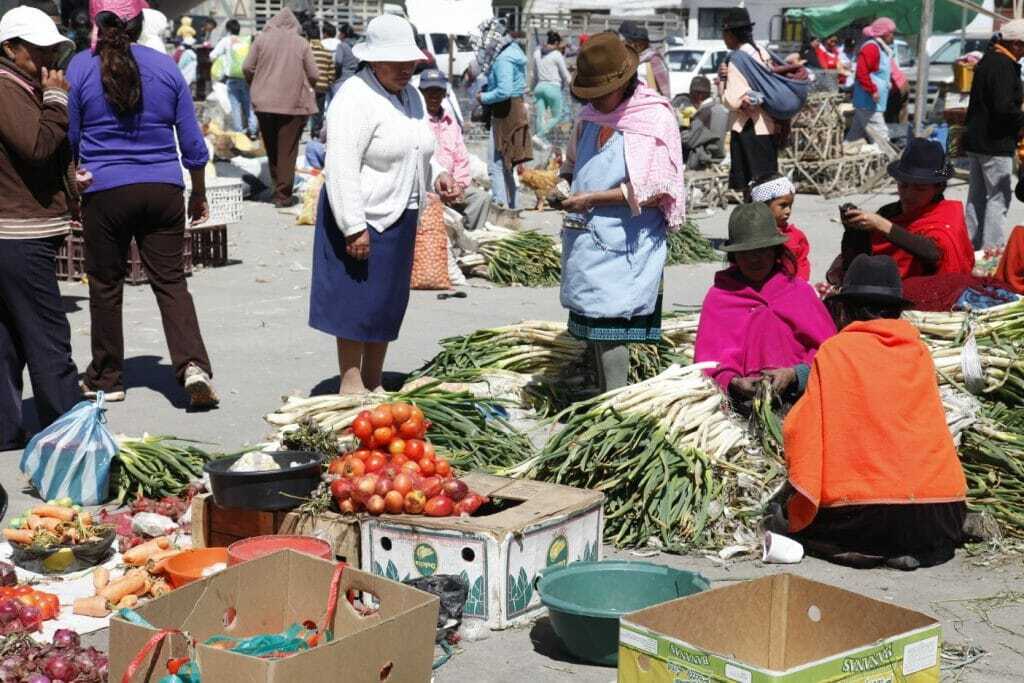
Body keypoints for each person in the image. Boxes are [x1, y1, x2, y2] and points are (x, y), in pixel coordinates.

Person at [68, 0, 217, 409]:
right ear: (138, 24)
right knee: (171, 283)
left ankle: (107, 377)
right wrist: (199, 192)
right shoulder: (166, 67)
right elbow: (192, 142)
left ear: (97, 23)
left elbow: (73, 138)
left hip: (105, 190)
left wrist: (73, 186)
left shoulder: (81, 68)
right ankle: (193, 367)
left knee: (105, 284)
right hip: (162, 189)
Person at [778, 254, 967, 570]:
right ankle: (912, 547)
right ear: (895, 311)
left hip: (866, 517)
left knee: (802, 525)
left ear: (847, 309)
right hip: (942, 512)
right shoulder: (918, 352)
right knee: (904, 516)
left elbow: (801, 432)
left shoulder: (836, 351)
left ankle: (864, 551)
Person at [311, 15, 457, 395]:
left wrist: (438, 171)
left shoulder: (410, 95)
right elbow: (340, 164)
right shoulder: (353, 97)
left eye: (409, 62)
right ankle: (351, 381)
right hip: (361, 213)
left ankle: (375, 379)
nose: (406, 69)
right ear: (374, 61)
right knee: (355, 301)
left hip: (402, 212)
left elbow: (418, 144)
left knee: (386, 303)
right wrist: (353, 224)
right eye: (396, 62)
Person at [558, 32, 685, 393]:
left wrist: (593, 197)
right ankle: (603, 391)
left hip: (628, 244)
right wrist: (564, 184)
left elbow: (657, 189)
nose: (595, 102)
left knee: (612, 325)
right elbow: (571, 163)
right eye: (590, 95)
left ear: (625, 82)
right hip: (587, 239)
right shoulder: (588, 117)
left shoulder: (653, 118)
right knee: (594, 325)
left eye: (601, 94)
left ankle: (616, 398)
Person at [0, 5, 80, 449]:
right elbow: (36, 145)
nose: (48, 60)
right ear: (10, 48)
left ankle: (7, 430)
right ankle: (70, 437)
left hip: (12, 231)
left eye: (52, 51)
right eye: (38, 50)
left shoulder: (17, 84)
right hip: (18, 234)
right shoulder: (7, 87)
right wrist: (56, 99)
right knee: (48, 337)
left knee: (8, 337)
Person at [694, 203, 835, 403]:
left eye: (762, 250)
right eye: (746, 252)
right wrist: (733, 382)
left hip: (804, 401)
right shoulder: (720, 297)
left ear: (775, 250)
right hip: (739, 407)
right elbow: (708, 363)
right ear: (734, 255)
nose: (754, 259)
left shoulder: (798, 292)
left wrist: (795, 374)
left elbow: (830, 352)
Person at [834, 138, 974, 282]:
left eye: (920, 188)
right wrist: (854, 228)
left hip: (928, 291)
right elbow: (864, 255)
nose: (908, 194)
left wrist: (883, 225)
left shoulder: (948, 215)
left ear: (939, 188)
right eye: (903, 185)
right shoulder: (889, 212)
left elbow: (932, 252)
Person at [243, 7, 317, 208]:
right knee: (288, 149)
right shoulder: (301, 43)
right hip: (292, 104)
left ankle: (277, 188)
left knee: (272, 147)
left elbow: (247, 67)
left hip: (263, 103)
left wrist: (256, 83)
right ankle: (283, 196)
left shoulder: (260, 40)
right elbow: (314, 74)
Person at [964, 19, 1024, 249]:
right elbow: (1003, 108)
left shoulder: (989, 60)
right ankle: (991, 252)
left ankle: (971, 248)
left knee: (977, 197)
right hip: (994, 142)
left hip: (977, 140)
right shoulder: (1003, 66)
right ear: (1016, 44)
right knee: (999, 198)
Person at [419, 68, 490, 232]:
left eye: (438, 91)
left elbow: (461, 158)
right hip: (428, 187)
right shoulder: (416, 120)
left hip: (453, 184)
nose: (434, 96)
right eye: (429, 92)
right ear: (421, 93)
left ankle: (469, 242)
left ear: (444, 94)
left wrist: (458, 185)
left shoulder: (451, 123)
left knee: (481, 198)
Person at [719, 9, 779, 193]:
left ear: (731, 34)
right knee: (769, 187)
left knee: (752, 189)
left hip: (748, 130)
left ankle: (757, 221)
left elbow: (731, 101)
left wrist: (722, 82)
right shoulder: (761, 53)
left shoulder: (737, 59)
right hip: (768, 125)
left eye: (724, 34)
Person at [476, 18, 530, 209]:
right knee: (507, 164)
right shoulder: (513, 51)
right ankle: (513, 208)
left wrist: (483, 97)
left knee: (495, 165)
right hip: (514, 109)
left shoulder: (503, 59)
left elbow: (504, 91)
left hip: (505, 111)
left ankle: (500, 207)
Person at [846, 18, 898, 157]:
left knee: (855, 135)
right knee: (882, 138)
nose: (892, 36)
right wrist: (873, 90)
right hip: (869, 101)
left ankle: (849, 149)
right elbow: (862, 72)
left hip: (869, 101)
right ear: (883, 33)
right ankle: (868, 154)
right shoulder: (871, 47)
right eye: (891, 33)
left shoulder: (880, 48)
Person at [750, 174, 810, 280]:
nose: (788, 211)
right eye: (783, 205)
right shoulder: (751, 236)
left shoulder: (796, 236)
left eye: (790, 205)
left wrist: (800, 286)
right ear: (762, 206)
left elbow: (802, 263)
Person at [211, 19, 255, 137]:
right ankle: (253, 130)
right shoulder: (245, 40)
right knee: (248, 105)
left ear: (228, 29)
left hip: (232, 78)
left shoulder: (225, 41)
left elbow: (212, 55)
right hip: (246, 77)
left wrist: (222, 59)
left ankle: (239, 132)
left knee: (234, 106)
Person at [681, 75, 728, 170]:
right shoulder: (720, 108)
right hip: (717, 159)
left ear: (699, 95)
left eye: (691, 94)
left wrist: (682, 124)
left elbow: (689, 141)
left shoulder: (705, 112)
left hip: (703, 162)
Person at [531, 30, 570, 141]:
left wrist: (531, 88)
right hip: (553, 88)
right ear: (557, 43)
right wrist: (572, 85)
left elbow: (534, 74)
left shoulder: (537, 53)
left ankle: (540, 142)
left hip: (539, 88)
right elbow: (565, 74)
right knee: (557, 116)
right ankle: (539, 136)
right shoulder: (557, 54)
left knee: (541, 116)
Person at [619, 20, 669, 98]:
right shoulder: (634, 59)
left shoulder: (654, 59)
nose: (633, 45)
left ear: (642, 44)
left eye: (635, 42)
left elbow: (664, 87)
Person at [306, 21, 333, 138]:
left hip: (309, 85)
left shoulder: (306, 51)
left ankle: (303, 129)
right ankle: (316, 132)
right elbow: (332, 72)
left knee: (306, 108)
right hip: (322, 87)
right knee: (319, 110)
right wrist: (328, 83)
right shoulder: (326, 52)